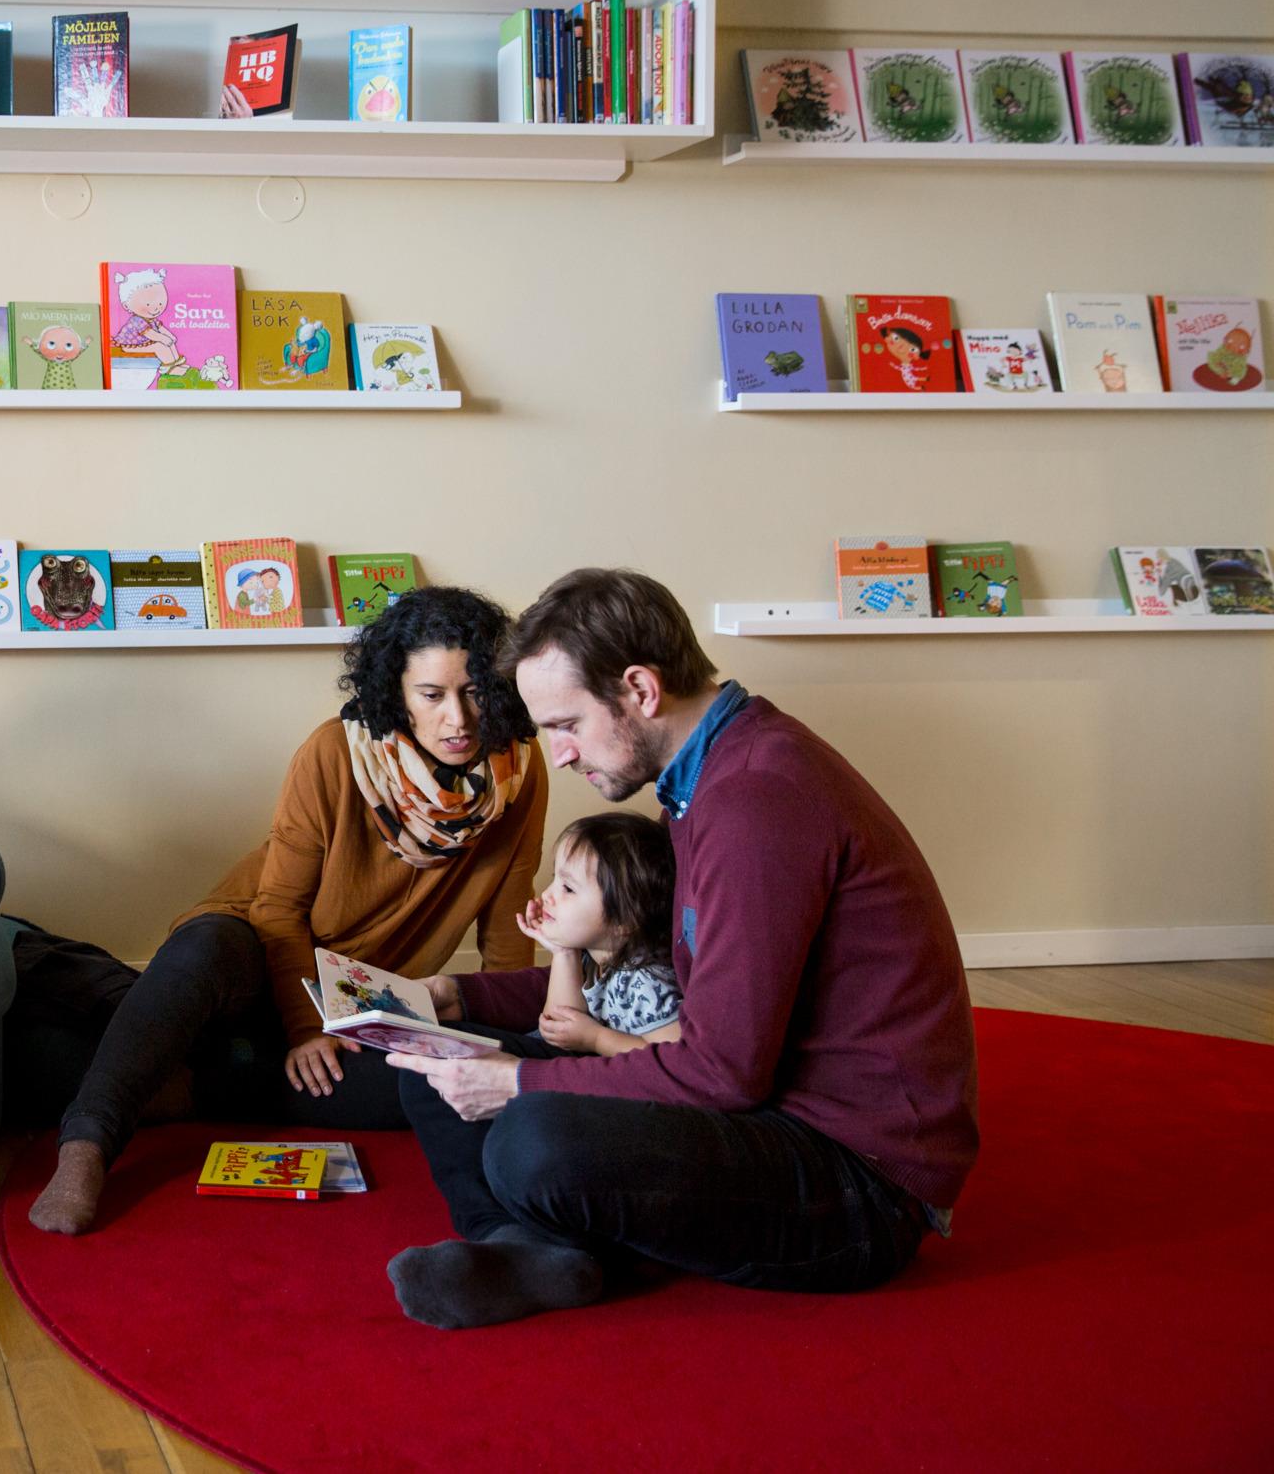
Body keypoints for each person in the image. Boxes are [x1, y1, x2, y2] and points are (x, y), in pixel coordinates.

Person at [387, 568, 978, 1330]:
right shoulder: (705, 778)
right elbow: (642, 964)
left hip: (860, 1182)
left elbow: (725, 1071)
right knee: (440, 1057)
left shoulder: (754, 800)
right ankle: (530, 1247)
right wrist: (461, 998)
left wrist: (521, 1084)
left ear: (639, 688)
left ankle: (553, 1237)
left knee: (530, 1136)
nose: (559, 753)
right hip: (771, 1106)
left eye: (566, 723)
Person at [27, 586, 548, 1235]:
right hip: (257, 947)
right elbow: (276, 909)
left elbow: (506, 928)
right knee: (208, 946)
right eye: (432, 694)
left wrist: (509, 1031)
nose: (458, 719)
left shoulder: (518, 774)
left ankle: (190, 1087)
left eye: (473, 691)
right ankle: (88, 1144)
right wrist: (306, 1027)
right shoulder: (335, 751)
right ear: (397, 691)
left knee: (464, 1075)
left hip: (359, 989)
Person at [519, 812, 681, 1056]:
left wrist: (596, 1039)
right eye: (555, 879)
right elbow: (558, 1029)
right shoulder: (595, 952)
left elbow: (675, 1060)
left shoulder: (645, 982)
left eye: (568, 888)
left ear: (624, 920)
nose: (547, 895)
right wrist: (563, 952)